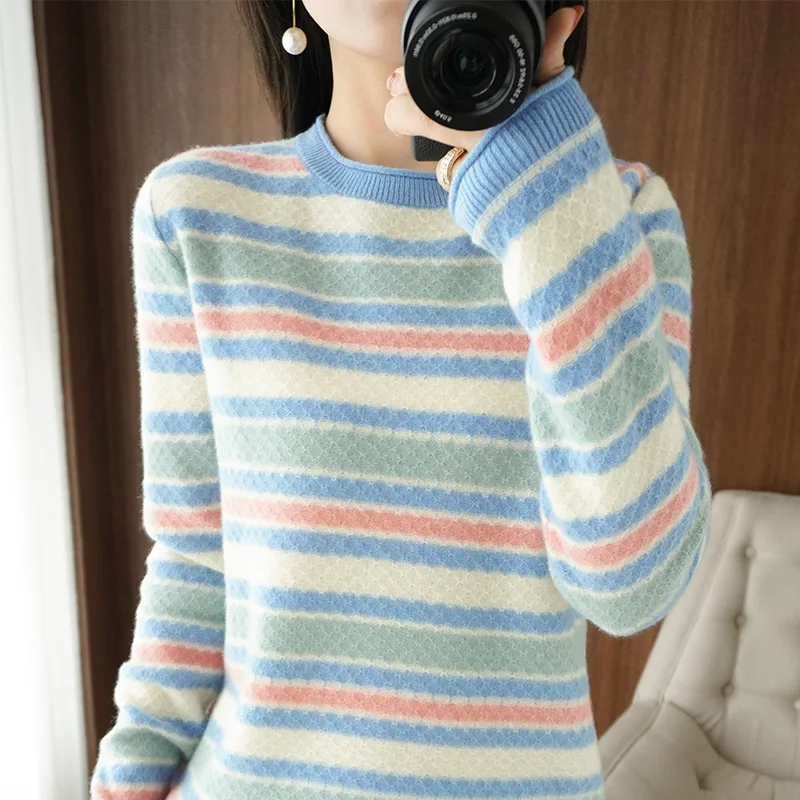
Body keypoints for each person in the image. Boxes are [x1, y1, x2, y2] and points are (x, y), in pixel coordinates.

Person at [90, 1, 712, 798]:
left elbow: (635, 587)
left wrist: (550, 201)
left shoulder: (615, 215)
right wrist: (125, 780)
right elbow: (193, 557)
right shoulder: (195, 213)